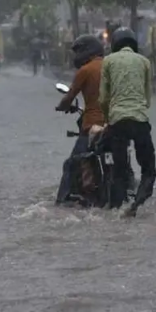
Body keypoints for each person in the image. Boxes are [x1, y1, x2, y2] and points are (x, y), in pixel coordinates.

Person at [100, 28, 156, 217]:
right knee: (148, 170)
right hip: (140, 120)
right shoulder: (144, 62)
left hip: (117, 121)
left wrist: (108, 119)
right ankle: (137, 204)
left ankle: (116, 210)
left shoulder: (108, 61)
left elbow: (102, 99)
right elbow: (147, 100)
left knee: (119, 171)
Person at [54, 34, 105, 205]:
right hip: (115, 123)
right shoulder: (111, 67)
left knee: (71, 164)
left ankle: (62, 201)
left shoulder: (86, 70)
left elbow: (69, 97)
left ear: (87, 51)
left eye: (79, 51)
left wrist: (62, 106)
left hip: (91, 125)